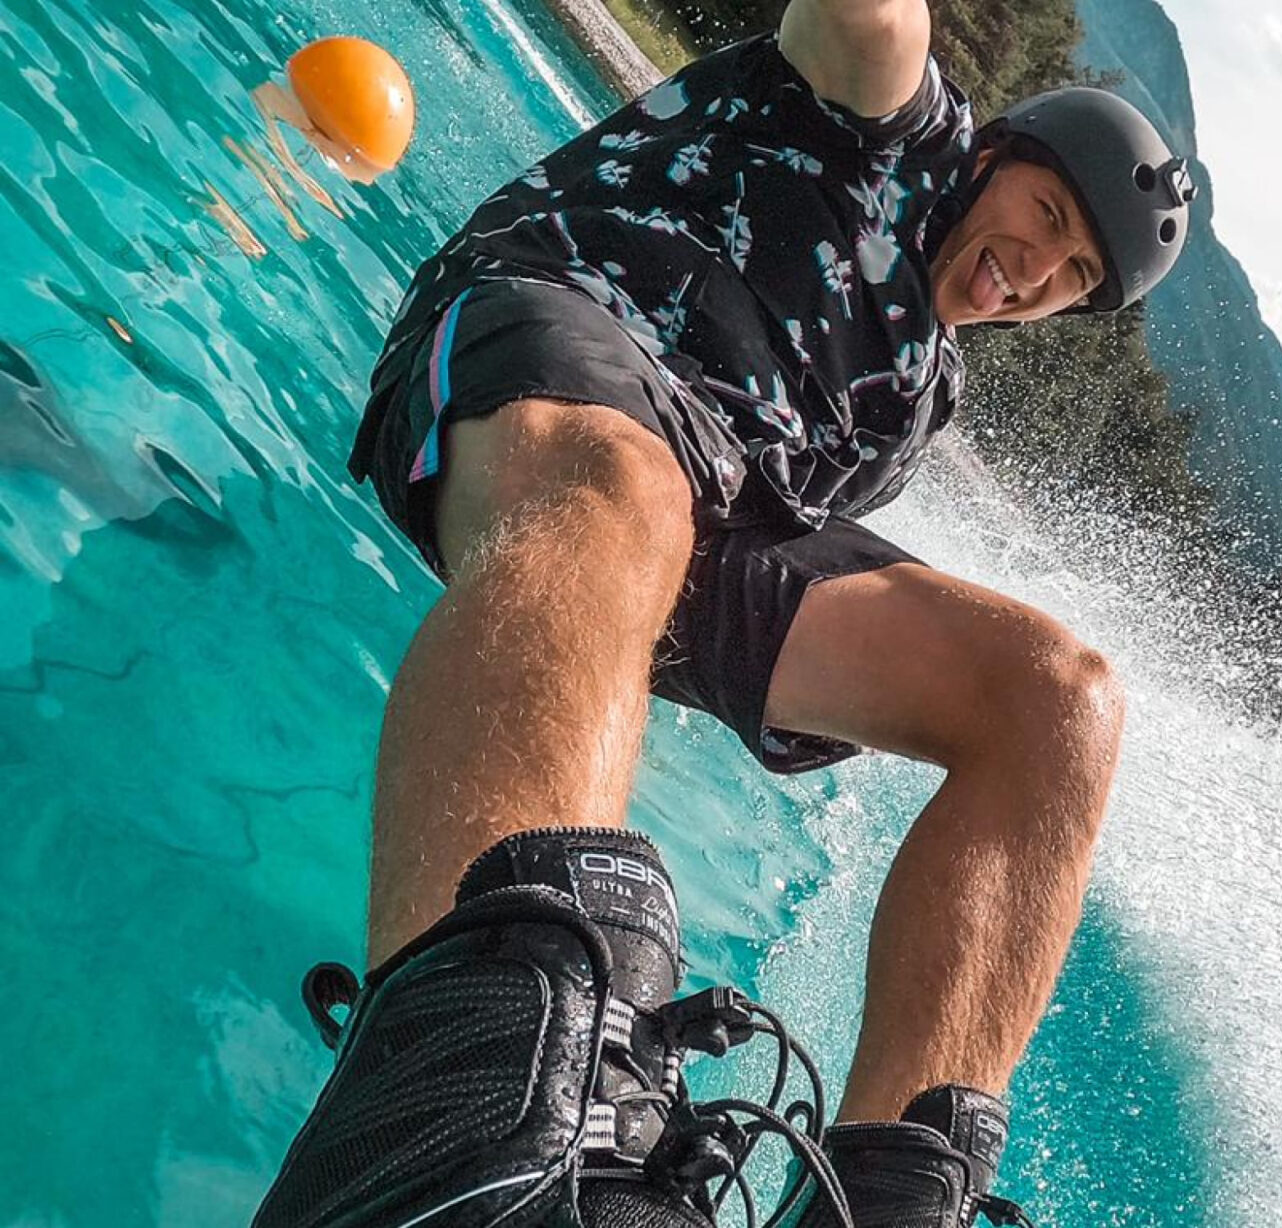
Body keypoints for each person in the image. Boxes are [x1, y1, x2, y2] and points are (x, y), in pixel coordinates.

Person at [251, 2, 1195, 1226]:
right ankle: (467, 1121)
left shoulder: (925, 386)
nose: (1038, 272)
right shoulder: (889, 126)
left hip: (709, 505)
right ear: (993, 152)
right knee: (633, 487)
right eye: (1048, 216)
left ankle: (887, 1200)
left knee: (1060, 700)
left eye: (1073, 278)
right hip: (552, 343)